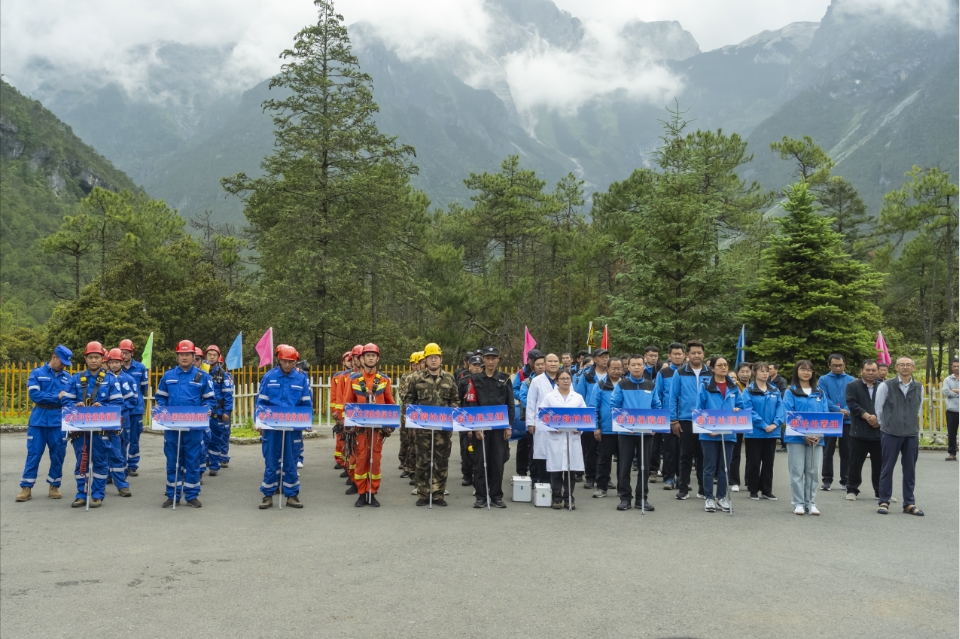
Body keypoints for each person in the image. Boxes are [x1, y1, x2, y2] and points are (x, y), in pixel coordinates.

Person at [62, 342, 125, 508]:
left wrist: (103, 407)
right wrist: (75, 404)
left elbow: (119, 403)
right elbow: (66, 400)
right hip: (79, 429)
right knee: (81, 462)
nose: (94, 360)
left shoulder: (110, 379)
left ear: (102, 358)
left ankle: (97, 495)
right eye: (90, 357)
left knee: (100, 462)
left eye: (97, 357)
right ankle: (81, 494)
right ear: (86, 358)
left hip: (101, 429)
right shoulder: (76, 378)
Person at [155, 340, 216, 508]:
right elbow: (160, 397)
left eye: (187, 354)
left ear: (193, 356)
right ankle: (172, 494)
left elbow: (210, 399)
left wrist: (207, 408)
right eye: (181, 354)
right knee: (173, 460)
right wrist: (160, 408)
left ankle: (191, 495)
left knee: (192, 460)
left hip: (194, 427)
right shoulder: (168, 376)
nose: (184, 357)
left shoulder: (202, 376)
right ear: (177, 356)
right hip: (172, 427)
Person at [402, 343, 460, 507]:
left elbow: (455, 400)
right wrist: (411, 425)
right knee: (423, 460)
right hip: (422, 428)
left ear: (441, 359)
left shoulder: (449, 378)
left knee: (441, 460)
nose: (433, 360)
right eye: (430, 357)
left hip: (443, 428)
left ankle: (438, 494)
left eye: (436, 357)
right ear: (425, 360)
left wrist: (451, 416)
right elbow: (409, 401)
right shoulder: (416, 378)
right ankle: (423, 493)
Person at [254, 344, 312, 509]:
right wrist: (258, 421)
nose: (287, 364)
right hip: (272, 428)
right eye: (284, 361)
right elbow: (261, 401)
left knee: (291, 461)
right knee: (271, 460)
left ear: (296, 362)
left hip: (293, 428)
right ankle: (267, 495)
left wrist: (307, 421)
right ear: (279, 360)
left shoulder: (301, 379)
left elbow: (306, 403)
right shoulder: (269, 377)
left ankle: (292, 495)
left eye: (291, 361)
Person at [340, 343, 395, 507]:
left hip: (377, 430)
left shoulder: (384, 380)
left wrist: (390, 424)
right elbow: (348, 402)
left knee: (375, 460)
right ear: (362, 359)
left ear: (377, 358)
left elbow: (390, 403)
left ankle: (372, 492)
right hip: (359, 430)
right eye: (367, 355)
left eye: (373, 355)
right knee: (361, 459)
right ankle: (362, 493)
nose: (370, 358)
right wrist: (346, 423)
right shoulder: (354, 380)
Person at [16, 345, 73, 502]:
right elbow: (35, 395)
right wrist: (57, 397)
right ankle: (26, 488)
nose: (63, 366)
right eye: (62, 362)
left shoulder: (68, 378)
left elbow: (69, 398)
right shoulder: (37, 373)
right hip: (39, 420)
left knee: (58, 455)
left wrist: (61, 397)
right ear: (54, 357)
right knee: (34, 454)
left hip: (59, 422)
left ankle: (54, 486)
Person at [463, 346, 514, 508]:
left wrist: (509, 426)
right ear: (483, 359)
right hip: (481, 429)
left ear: (498, 359)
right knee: (480, 462)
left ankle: (496, 496)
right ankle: (481, 496)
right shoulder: (475, 379)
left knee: (498, 462)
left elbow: (510, 404)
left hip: (499, 429)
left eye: (494, 358)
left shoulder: (505, 379)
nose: (491, 361)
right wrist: (475, 428)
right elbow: (470, 403)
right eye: (488, 358)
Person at [610, 354, 662, 511]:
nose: (637, 367)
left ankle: (642, 498)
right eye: (634, 365)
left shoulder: (650, 385)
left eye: (640, 364)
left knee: (644, 466)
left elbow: (657, 406)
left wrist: (654, 426)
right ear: (629, 367)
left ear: (644, 366)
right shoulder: (622, 384)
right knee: (624, 466)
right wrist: (625, 424)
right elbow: (614, 405)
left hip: (646, 433)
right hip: (626, 433)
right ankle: (625, 497)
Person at [875, 356, 925, 516]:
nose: (905, 367)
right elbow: (879, 408)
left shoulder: (919, 386)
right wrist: (888, 424)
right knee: (887, 468)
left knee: (910, 469)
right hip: (890, 433)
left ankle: (909, 503)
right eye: (902, 365)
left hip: (911, 434)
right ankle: (884, 501)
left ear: (913, 368)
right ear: (896, 368)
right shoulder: (886, 385)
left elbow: (918, 408)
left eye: (908, 365)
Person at [696, 356, 747, 513]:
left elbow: (741, 406)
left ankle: (722, 498)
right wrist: (707, 429)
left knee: (725, 467)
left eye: (725, 365)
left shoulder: (733, 386)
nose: (723, 368)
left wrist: (738, 410)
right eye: (720, 365)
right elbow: (699, 409)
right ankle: (709, 498)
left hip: (728, 432)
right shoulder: (705, 386)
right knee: (709, 467)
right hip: (709, 434)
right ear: (712, 368)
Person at [782, 360, 831, 516]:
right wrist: (804, 434)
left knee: (813, 471)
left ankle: (811, 502)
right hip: (796, 438)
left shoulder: (820, 392)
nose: (806, 372)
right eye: (803, 369)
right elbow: (788, 415)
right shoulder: (791, 392)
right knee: (796, 471)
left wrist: (819, 434)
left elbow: (825, 415)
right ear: (797, 371)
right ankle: (798, 503)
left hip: (817, 439)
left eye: (810, 370)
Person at [537, 369, 586, 509]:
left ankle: (569, 496)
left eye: (568, 378)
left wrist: (579, 429)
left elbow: (584, 417)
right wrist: (553, 428)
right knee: (556, 469)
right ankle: (557, 497)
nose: (565, 381)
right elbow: (543, 417)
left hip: (572, 438)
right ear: (556, 381)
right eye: (562, 378)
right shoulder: (549, 397)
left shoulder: (577, 397)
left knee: (571, 469)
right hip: (556, 437)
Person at [669, 340, 709, 500]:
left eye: (699, 352)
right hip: (685, 419)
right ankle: (683, 487)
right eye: (693, 353)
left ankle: (702, 488)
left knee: (703, 456)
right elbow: (673, 397)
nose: (696, 355)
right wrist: (674, 420)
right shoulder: (680, 372)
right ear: (687, 355)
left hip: (706, 420)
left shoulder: (710, 373)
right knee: (685, 455)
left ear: (703, 354)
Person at [845, 360, 887, 502]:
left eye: (873, 370)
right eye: (867, 370)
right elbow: (852, 403)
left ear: (877, 371)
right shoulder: (852, 386)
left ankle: (881, 491)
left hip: (879, 432)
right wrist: (868, 416)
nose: (870, 373)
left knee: (880, 464)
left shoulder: (884, 386)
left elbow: (888, 406)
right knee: (855, 463)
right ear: (861, 371)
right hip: (858, 432)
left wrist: (879, 420)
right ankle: (852, 489)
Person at [743, 361, 784, 501]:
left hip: (772, 432)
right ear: (754, 373)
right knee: (754, 462)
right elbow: (748, 409)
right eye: (762, 371)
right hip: (754, 432)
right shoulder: (748, 390)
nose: (765, 373)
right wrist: (763, 424)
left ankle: (767, 490)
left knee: (768, 462)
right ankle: (753, 489)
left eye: (767, 371)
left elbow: (781, 408)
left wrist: (775, 423)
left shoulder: (775, 390)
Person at [574, 347, 608, 488]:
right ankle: (590, 477)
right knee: (590, 449)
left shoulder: (612, 375)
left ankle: (604, 477)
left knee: (606, 451)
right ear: (595, 359)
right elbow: (579, 396)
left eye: (607, 356)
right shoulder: (586, 376)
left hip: (606, 417)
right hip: (589, 415)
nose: (605, 359)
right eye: (601, 357)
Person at [819, 354, 854, 492]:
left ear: (844, 364)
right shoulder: (824, 379)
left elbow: (853, 398)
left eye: (840, 365)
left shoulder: (851, 379)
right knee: (828, 450)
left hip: (847, 419)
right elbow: (823, 397)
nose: (838, 368)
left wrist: (845, 410)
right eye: (835, 365)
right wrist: (838, 409)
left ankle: (845, 480)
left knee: (846, 451)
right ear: (829, 365)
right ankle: (827, 480)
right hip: (830, 419)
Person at [527, 353, 561, 486]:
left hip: (560, 423)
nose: (553, 364)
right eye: (550, 361)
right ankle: (543, 484)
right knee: (542, 454)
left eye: (556, 361)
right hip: (542, 422)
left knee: (558, 454)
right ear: (545, 363)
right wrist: (530, 422)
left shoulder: (564, 378)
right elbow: (531, 402)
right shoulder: (537, 380)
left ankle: (557, 486)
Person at [104, 348, 135, 496]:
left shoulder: (127, 379)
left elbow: (132, 400)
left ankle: (121, 476)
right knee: (105, 448)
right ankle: (108, 475)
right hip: (106, 420)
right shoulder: (103, 378)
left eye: (117, 362)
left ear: (122, 362)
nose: (114, 365)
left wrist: (118, 409)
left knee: (121, 448)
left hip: (123, 419)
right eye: (112, 362)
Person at [592, 357, 623, 498]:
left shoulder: (626, 384)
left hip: (624, 429)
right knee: (604, 459)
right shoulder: (600, 385)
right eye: (613, 368)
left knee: (624, 460)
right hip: (606, 429)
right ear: (608, 369)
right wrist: (596, 427)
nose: (616, 371)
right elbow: (594, 407)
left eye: (619, 368)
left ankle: (623, 488)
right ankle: (601, 487)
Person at [118, 339, 149, 476]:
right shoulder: (116, 367)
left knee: (135, 437)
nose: (124, 355)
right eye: (122, 353)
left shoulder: (140, 368)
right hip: (122, 410)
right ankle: (122, 464)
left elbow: (144, 388)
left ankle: (132, 464)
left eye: (126, 353)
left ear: (132, 353)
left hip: (136, 409)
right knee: (122, 438)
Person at [656, 343, 684, 490]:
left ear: (684, 355)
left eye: (680, 354)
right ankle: (668, 478)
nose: (677, 356)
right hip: (667, 418)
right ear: (669, 356)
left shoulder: (688, 371)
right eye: (675, 354)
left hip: (685, 417)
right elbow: (658, 395)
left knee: (684, 451)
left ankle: (681, 478)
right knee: (669, 449)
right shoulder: (664, 373)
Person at [203, 345, 234, 476]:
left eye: (214, 355)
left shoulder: (223, 375)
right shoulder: (201, 373)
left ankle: (215, 464)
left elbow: (228, 395)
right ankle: (206, 460)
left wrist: (227, 412)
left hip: (217, 411)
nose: (211, 357)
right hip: (203, 411)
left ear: (218, 357)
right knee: (204, 437)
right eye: (209, 354)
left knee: (216, 438)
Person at [512, 348, 542, 477]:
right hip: (526, 412)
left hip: (542, 415)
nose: (538, 364)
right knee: (524, 442)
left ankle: (537, 470)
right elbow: (515, 390)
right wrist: (527, 401)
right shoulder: (521, 374)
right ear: (529, 360)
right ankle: (522, 469)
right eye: (534, 360)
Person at [727, 361, 754, 492]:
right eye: (742, 372)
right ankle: (734, 481)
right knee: (735, 452)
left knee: (751, 453)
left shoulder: (755, 386)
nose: (745, 374)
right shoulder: (733, 386)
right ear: (737, 373)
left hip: (752, 422)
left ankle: (749, 481)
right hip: (737, 421)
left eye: (747, 371)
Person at [458, 354, 484, 487]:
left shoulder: (485, 382)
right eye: (475, 365)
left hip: (481, 419)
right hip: (466, 419)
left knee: (480, 451)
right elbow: (458, 401)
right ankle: (467, 475)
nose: (477, 368)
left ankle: (478, 475)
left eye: (480, 366)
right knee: (466, 450)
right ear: (469, 365)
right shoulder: (463, 381)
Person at [397, 351, 423, 481]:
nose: (415, 366)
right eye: (413, 364)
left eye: (417, 363)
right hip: (407, 411)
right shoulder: (406, 377)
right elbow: (402, 393)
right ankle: (405, 463)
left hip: (423, 414)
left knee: (416, 442)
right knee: (406, 437)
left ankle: (412, 467)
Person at [642, 346, 663, 481]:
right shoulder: (641, 371)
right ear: (645, 356)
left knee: (658, 442)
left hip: (658, 410)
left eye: (655, 355)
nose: (653, 358)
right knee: (649, 443)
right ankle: (650, 469)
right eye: (651, 355)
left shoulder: (660, 370)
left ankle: (658, 468)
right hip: (643, 412)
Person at [331, 351, 353, 471]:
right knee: (341, 437)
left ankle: (347, 462)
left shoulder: (353, 376)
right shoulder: (338, 376)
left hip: (352, 413)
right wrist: (335, 411)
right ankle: (339, 460)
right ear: (343, 362)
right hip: (341, 412)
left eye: (351, 359)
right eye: (347, 360)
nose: (350, 362)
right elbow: (335, 396)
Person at [942, 358, 959, 461]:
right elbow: (946, 392)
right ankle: (952, 453)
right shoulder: (948, 379)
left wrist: (956, 391)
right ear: (951, 367)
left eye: (958, 366)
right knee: (952, 433)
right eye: (954, 366)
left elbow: (950, 392)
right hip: (952, 410)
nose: (956, 368)